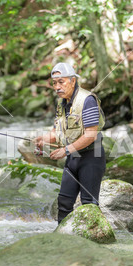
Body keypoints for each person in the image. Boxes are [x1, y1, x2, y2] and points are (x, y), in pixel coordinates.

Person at [34, 62, 106, 224]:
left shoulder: (87, 101)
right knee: (64, 203)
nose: (57, 87)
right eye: (54, 83)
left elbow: (90, 135)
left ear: (73, 81)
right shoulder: (62, 103)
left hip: (91, 158)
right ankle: (63, 241)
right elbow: (56, 133)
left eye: (61, 82)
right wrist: (43, 139)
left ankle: (92, 242)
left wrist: (65, 150)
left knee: (89, 205)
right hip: (73, 158)